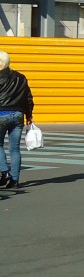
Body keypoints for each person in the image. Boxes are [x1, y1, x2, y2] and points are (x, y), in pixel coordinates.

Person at [0, 50, 35, 189]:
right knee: (15, 149)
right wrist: (29, 115)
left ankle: (4, 172)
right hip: (18, 115)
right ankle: (15, 181)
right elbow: (28, 98)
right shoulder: (21, 77)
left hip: (1, 113)